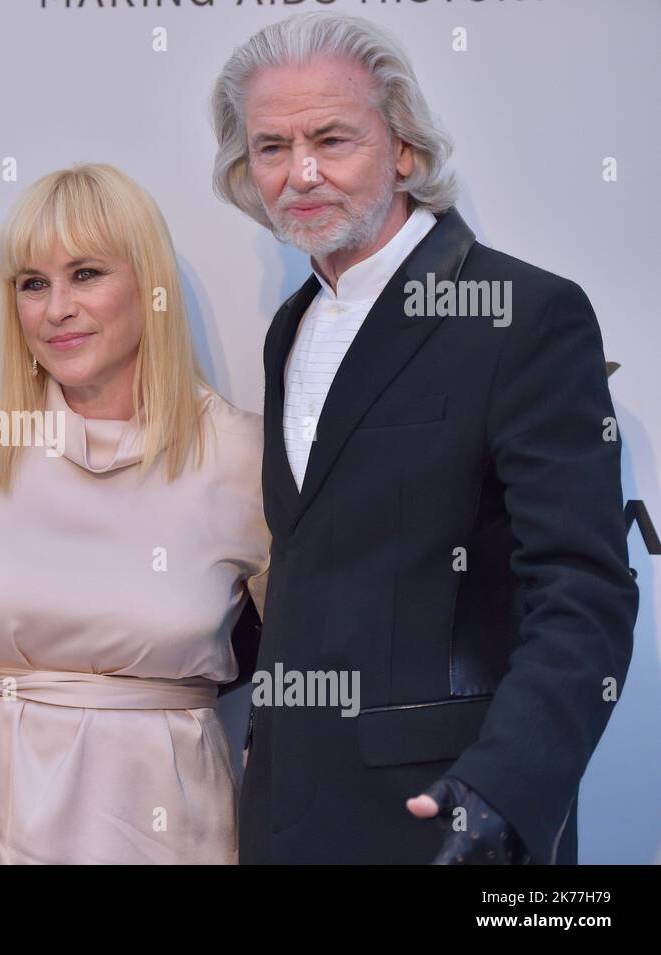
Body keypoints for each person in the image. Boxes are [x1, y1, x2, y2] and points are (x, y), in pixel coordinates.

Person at [209, 12, 638, 863]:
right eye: (270, 148)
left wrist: (505, 792)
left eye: (332, 139)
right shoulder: (289, 329)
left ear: (403, 147)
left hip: (445, 819)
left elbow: (583, 586)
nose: (300, 173)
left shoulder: (523, 314)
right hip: (287, 815)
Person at [0, 163, 269, 864]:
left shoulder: (240, 454)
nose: (57, 307)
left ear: (150, 287)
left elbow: (312, 657)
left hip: (166, 826)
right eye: (33, 283)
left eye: (85, 274)